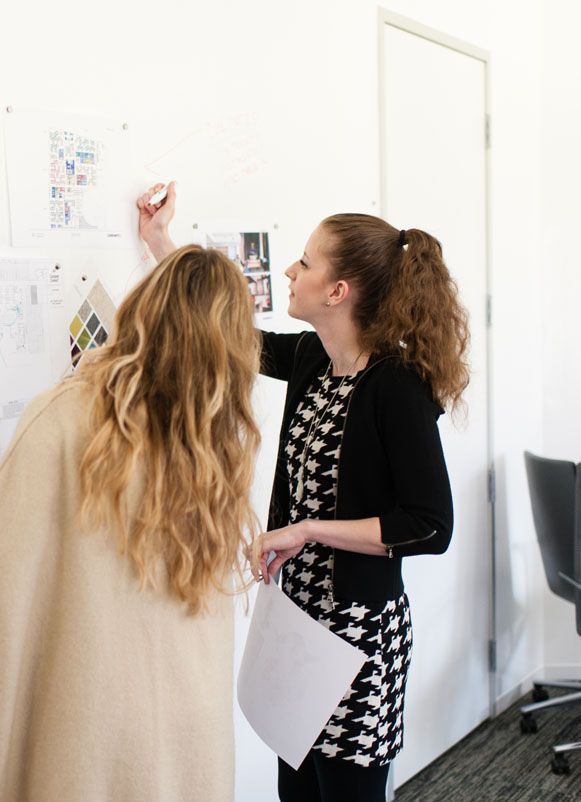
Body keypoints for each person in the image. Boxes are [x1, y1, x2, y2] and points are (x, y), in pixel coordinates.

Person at [138, 182, 469, 802]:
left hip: (358, 643)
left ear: (338, 291)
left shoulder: (395, 389)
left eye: (306, 262)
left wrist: (310, 530)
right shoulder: (315, 360)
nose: (290, 270)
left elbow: (430, 525)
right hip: (298, 628)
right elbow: (224, 331)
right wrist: (161, 242)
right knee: (298, 792)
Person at [0, 244, 262, 801]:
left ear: (141, 310)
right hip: (188, 721)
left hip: (88, 716)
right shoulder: (221, 443)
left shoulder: (65, 416)